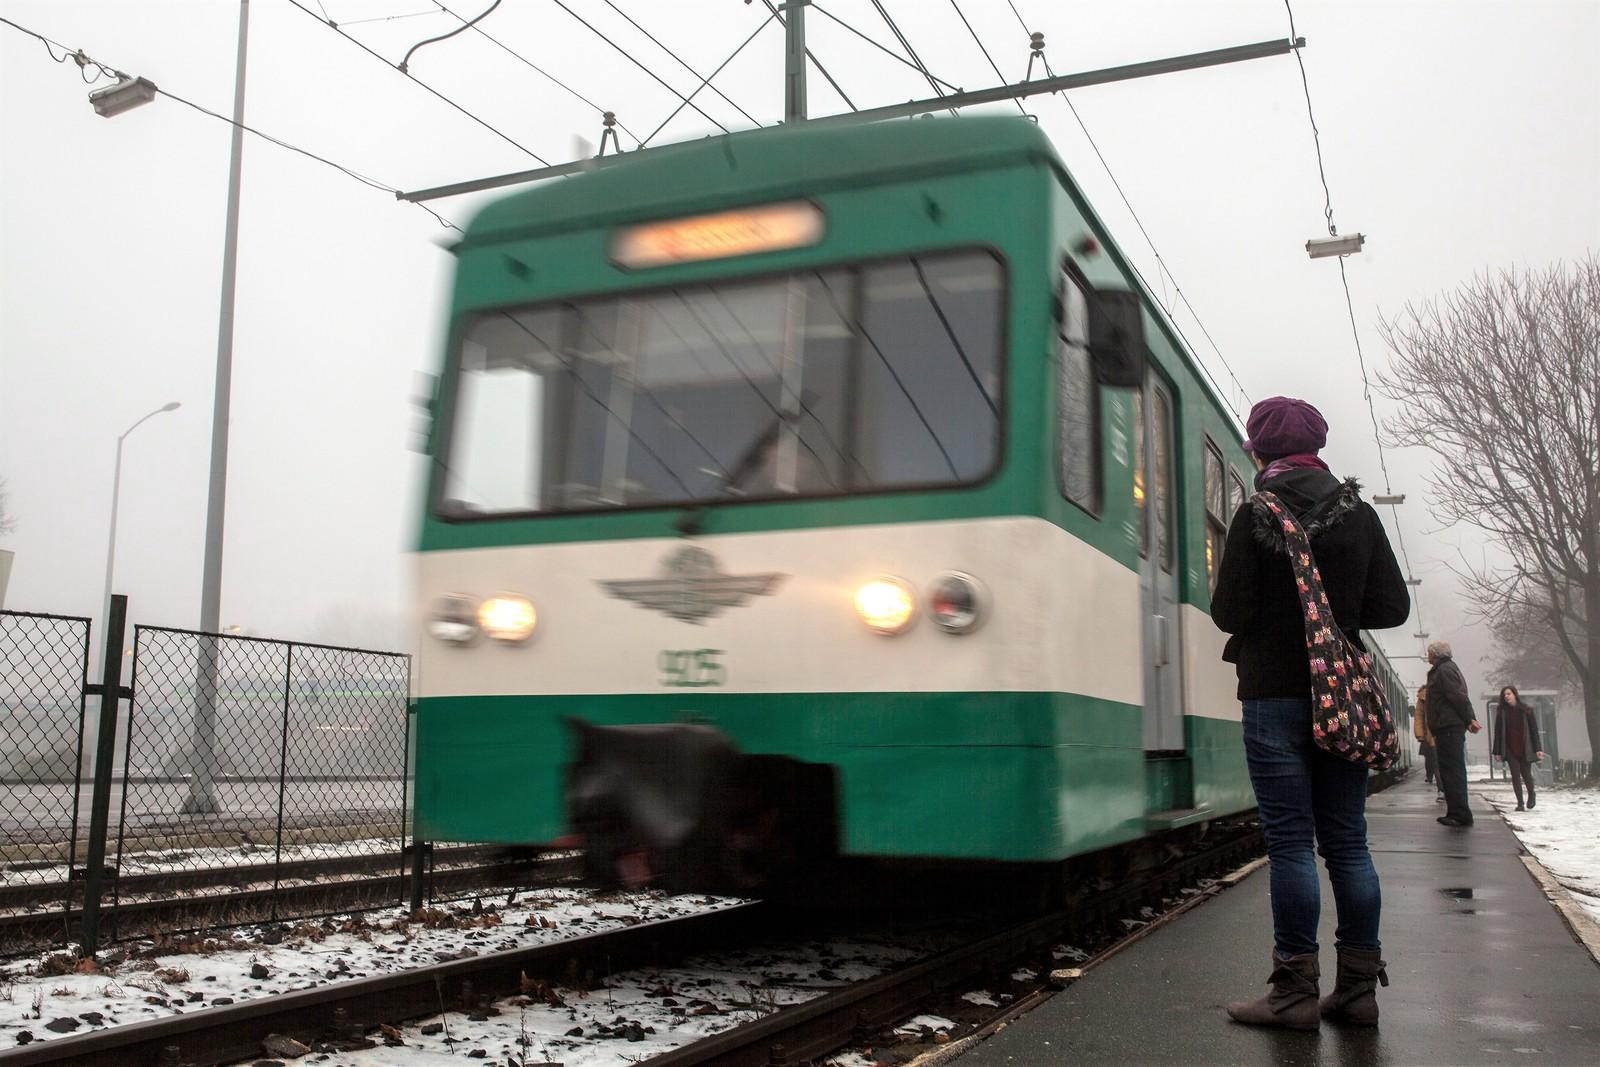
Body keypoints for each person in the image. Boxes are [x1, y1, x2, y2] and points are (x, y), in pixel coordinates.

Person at [1211, 396, 1410, 1031]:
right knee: (1348, 844)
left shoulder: (1255, 513)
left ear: (1258, 450)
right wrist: (1340, 613)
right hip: (1341, 700)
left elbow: (1228, 615)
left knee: (1292, 844)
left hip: (1273, 696)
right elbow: (1393, 608)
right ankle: (1357, 991)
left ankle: (1293, 993)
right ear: (1318, 447)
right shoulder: (1359, 517)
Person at [1425, 640, 1481, 827]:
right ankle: (1457, 812)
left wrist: (1470, 719)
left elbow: (1457, 696)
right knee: (1451, 770)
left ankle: (1459, 814)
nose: (1427, 655)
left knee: (1452, 771)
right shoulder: (1447, 668)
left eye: (1429, 652)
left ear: (1435, 654)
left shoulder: (1444, 670)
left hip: (1448, 727)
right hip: (1448, 727)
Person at [1491, 685, 1544, 811]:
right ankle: (1520, 803)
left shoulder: (1526, 710)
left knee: (1526, 774)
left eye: (1509, 694)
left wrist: (1538, 748)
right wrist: (1497, 751)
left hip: (1525, 747)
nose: (1506, 696)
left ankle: (1531, 794)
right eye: (1504, 695)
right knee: (1515, 775)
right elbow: (1498, 732)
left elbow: (1533, 731)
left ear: (1515, 694)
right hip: (1510, 748)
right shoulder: (1502, 712)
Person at [1414, 686, 1440, 792]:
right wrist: (1420, 734)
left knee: (1439, 762)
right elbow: (1419, 716)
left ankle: (1444, 788)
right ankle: (1442, 789)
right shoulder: (1423, 696)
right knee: (1435, 762)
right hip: (1430, 737)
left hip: (1445, 733)